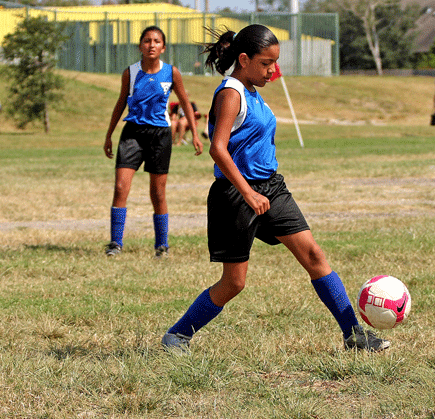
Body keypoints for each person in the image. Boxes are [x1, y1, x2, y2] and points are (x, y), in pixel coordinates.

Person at [161, 24, 390, 353]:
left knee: (314, 256)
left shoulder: (253, 92)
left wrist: (262, 190)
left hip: (272, 187)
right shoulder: (231, 93)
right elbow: (218, 149)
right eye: (266, 63)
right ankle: (178, 334)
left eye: (275, 62)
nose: (273, 70)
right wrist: (248, 192)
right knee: (234, 283)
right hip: (235, 194)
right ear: (244, 59)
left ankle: (354, 335)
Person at [103, 26, 203, 258]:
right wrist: (109, 134)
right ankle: (115, 243)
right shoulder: (130, 72)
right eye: (147, 41)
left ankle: (162, 245)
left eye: (156, 41)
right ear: (140, 46)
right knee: (120, 187)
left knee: (157, 192)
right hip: (132, 134)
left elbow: (186, 103)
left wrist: (195, 134)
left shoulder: (172, 73)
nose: (151, 45)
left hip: (160, 135)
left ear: (163, 47)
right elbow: (120, 102)